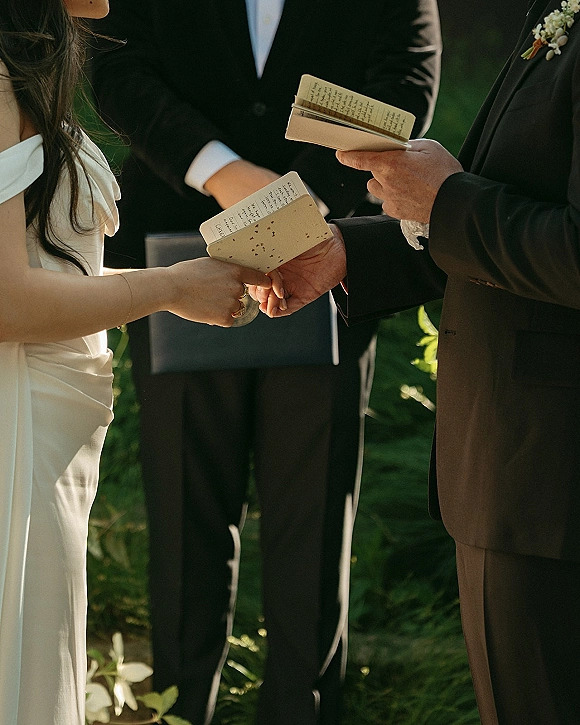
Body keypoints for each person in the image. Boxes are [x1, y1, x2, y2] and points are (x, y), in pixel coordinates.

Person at [90, 2, 441, 723]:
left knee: (310, 524)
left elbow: (403, 82)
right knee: (184, 522)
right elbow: (118, 60)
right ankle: (179, 711)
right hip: (177, 256)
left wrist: (292, 209)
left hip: (330, 254)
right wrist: (225, 175)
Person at [255, 0, 580, 723]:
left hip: (551, 477)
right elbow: (522, 210)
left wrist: (447, 200)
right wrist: (352, 251)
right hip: (516, 470)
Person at [0, 2, 271, 723]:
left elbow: (41, 278)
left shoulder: (21, 73)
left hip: (46, 438)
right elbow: (6, 303)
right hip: (13, 436)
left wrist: (174, 289)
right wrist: (173, 285)